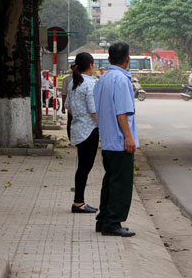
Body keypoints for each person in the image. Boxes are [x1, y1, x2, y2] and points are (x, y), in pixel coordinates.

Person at [93, 42, 138, 237]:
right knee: (121, 183)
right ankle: (113, 222)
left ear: (109, 59)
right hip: (120, 141)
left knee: (110, 180)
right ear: (127, 59)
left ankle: (104, 219)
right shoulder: (121, 79)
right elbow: (122, 112)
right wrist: (128, 136)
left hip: (108, 139)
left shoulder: (103, 79)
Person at [65, 53, 99, 213]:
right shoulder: (90, 84)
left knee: (83, 167)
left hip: (78, 129)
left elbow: (69, 107)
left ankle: (79, 201)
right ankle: (78, 202)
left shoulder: (74, 82)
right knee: (85, 167)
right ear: (91, 65)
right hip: (90, 131)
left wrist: (79, 118)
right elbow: (94, 110)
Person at [61, 63, 76, 141]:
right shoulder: (67, 80)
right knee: (70, 122)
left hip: (81, 106)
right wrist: (63, 106)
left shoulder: (85, 79)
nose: (75, 68)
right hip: (71, 106)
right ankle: (71, 139)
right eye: (74, 67)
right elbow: (64, 93)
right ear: (71, 68)